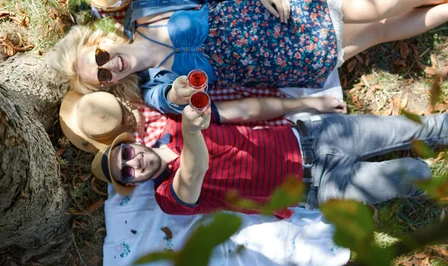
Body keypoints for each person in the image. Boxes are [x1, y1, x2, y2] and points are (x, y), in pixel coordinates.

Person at [87, 77, 448, 217]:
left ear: (133, 144)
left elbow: (168, 94)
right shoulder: (168, 198)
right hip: (318, 186)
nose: (132, 163)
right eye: (126, 171)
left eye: (125, 154)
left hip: (313, 136)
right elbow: (193, 174)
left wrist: (179, 103)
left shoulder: (169, 123)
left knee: (419, 126)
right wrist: (191, 134)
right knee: (416, 176)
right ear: (135, 181)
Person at [51, 0, 448, 114]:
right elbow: (182, 104)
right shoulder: (153, 90)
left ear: (101, 39)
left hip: (278, 9)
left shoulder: (147, 7)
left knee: (372, 5)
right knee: (380, 31)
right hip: (287, 58)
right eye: (105, 78)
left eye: (102, 59)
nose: (113, 68)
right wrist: (179, 94)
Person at [59, 89, 346, 153]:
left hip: (213, 110)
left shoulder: (139, 90)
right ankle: (306, 106)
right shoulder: (142, 144)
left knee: (231, 111)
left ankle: (306, 105)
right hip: (211, 137)